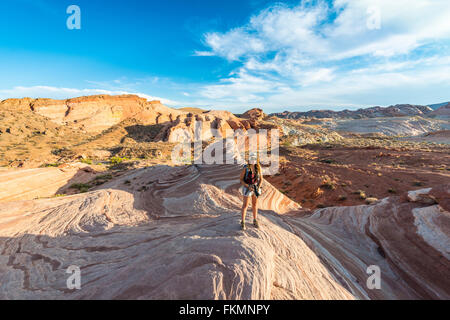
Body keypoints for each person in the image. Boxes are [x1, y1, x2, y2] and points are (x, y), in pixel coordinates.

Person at [239, 155, 263, 230]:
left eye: (254, 159)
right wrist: (248, 186)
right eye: (251, 159)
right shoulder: (246, 168)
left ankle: (255, 220)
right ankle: (242, 222)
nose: (253, 160)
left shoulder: (258, 168)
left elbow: (261, 179)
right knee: (245, 205)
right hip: (247, 188)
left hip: (255, 187)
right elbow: (241, 179)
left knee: (255, 204)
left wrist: (258, 187)